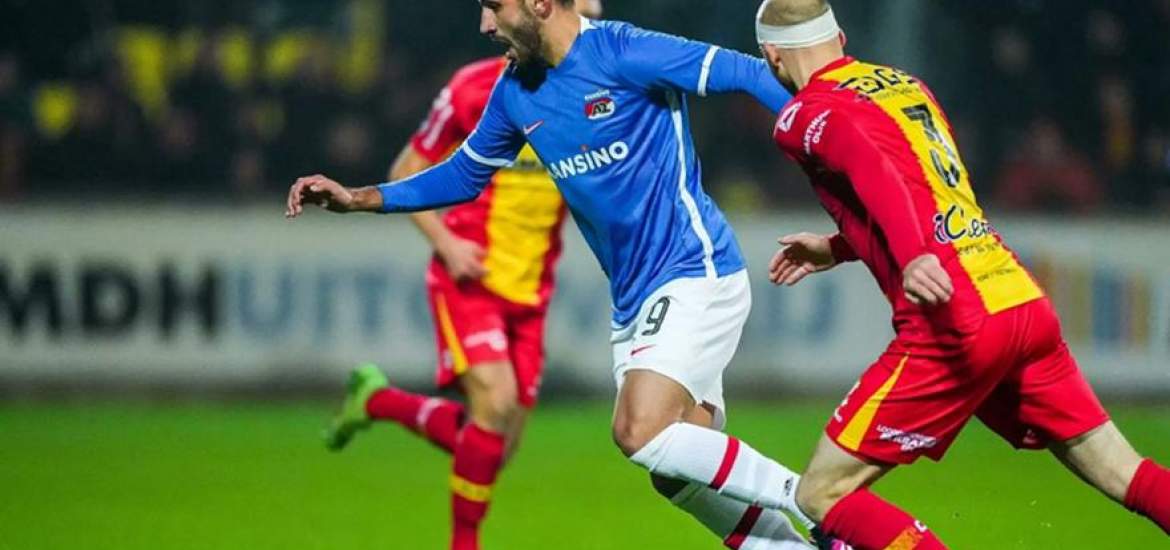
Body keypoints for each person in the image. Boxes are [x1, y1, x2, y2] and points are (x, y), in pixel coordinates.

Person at [287, 1, 829, 548]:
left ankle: (819, 502)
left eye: (494, 7)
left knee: (638, 429)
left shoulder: (624, 51)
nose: (485, 25)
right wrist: (360, 198)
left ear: (540, 3)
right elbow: (465, 174)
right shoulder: (515, 90)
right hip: (634, 300)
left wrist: (829, 141)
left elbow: (747, 72)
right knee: (675, 469)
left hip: (694, 269)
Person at [753, 1, 1170, 547]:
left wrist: (913, 256)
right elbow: (929, 192)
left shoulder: (803, 114)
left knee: (821, 494)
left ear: (772, 55)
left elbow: (872, 165)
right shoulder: (906, 86)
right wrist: (838, 247)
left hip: (955, 319)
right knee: (1123, 470)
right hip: (1016, 296)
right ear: (841, 37)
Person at [322, 2, 600, 550]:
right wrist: (447, 244)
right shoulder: (474, 88)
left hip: (532, 291)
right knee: (494, 405)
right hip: (470, 278)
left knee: (496, 446)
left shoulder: (591, 95)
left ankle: (377, 401)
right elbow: (406, 169)